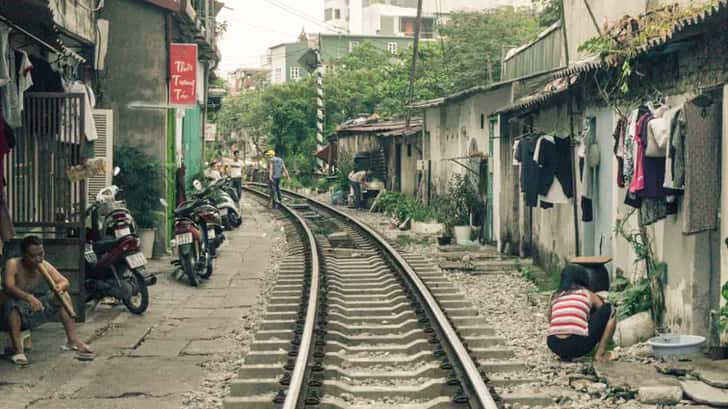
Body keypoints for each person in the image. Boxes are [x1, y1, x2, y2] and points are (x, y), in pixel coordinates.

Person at [1, 236, 93, 365]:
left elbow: (64, 281)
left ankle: (72, 340)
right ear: (24, 255)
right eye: (33, 256)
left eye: (41, 254)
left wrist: (59, 288)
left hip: (30, 312)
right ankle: (18, 351)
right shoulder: (13, 264)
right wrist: (28, 297)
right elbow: (9, 286)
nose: (38, 259)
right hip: (7, 315)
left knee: (63, 296)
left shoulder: (43, 264)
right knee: (12, 305)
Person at [547, 264, 617, 362]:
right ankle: (600, 354)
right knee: (610, 309)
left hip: (554, 344)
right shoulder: (587, 293)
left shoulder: (556, 296)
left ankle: (565, 355)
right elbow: (602, 311)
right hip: (578, 345)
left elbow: (550, 319)